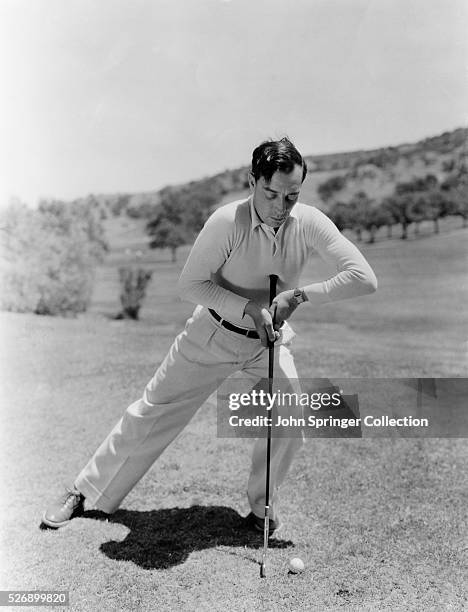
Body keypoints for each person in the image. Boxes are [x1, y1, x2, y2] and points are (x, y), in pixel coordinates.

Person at [42, 137, 377, 532]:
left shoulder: (309, 222)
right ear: (251, 181)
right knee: (153, 411)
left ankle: (260, 510)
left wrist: (299, 295)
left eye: (291, 196)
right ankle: (86, 493)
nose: (280, 207)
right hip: (213, 333)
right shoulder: (226, 222)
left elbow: (364, 278)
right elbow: (191, 286)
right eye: (270, 194)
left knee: (291, 418)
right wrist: (249, 307)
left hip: (266, 343)